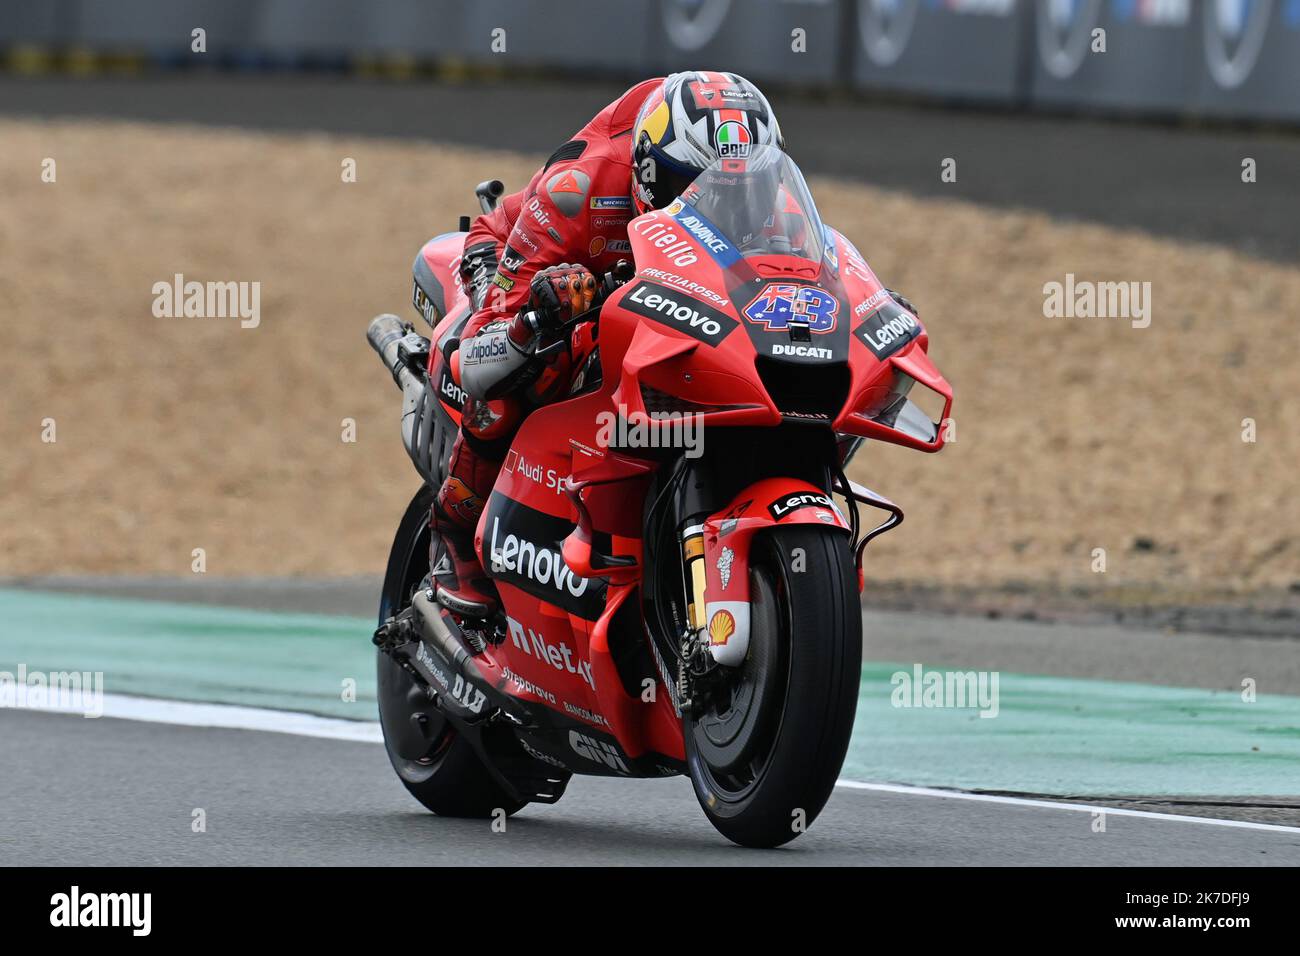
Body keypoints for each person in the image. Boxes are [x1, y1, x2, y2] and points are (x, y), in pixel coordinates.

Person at [428, 71, 787, 617]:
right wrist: (533, 321)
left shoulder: (764, 198)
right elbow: (476, 357)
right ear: (649, 175)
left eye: (740, 195)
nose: (728, 214)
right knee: (534, 364)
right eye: (701, 193)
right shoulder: (577, 192)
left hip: (668, 284)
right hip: (513, 259)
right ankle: (456, 539)